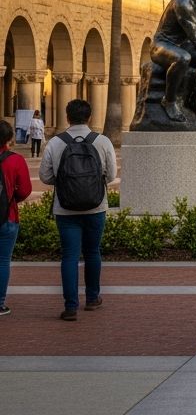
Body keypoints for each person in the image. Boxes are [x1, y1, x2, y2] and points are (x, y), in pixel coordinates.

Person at [39, 98, 117, 321]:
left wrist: (66, 182)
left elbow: (45, 176)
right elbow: (110, 176)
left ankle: (70, 306)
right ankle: (92, 299)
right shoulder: (102, 141)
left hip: (65, 209)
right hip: (96, 206)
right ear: (90, 117)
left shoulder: (55, 143)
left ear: (67, 117)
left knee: (69, 256)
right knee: (93, 252)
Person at [0, 119, 32, 316]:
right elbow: (26, 190)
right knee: (3, 260)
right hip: (8, 217)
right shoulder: (16, 160)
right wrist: (10, 200)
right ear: (9, 138)